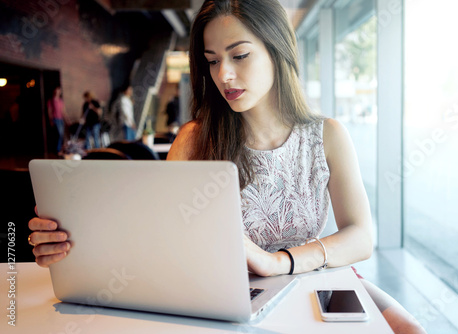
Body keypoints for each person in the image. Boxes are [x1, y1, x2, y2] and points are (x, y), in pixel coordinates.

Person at [28, 1, 425, 333]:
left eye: (239, 55)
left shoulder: (326, 135)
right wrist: (73, 248)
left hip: (314, 283)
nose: (224, 75)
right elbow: (157, 244)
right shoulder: (195, 141)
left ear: (278, 48)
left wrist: (279, 262)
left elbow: (359, 237)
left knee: (412, 330)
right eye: (212, 61)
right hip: (228, 300)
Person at [47, 87, 68, 153]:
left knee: (62, 135)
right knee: (59, 134)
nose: (58, 92)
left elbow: (63, 111)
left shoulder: (61, 101)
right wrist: (50, 120)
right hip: (55, 119)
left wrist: (67, 120)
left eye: (59, 91)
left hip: (61, 119)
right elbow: (49, 111)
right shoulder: (51, 101)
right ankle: (58, 149)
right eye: (57, 91)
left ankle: (60, 149)